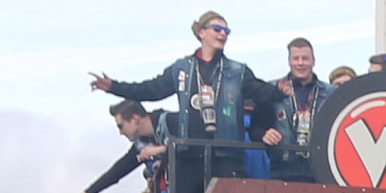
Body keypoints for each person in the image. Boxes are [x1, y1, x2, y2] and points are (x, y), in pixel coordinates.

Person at [90, 13, 275, 154]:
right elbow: (150, 90)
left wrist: (282, 88)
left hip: (225, 154)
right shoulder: (182, 69)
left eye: (226, 31)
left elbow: (261, 91)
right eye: (217, 29)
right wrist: (113, 87)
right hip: (191, 153)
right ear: (201, 33)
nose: (223, 34)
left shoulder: (237, 71)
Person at [61, 100, 168, 193]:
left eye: (121, 126)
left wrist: (162, 149)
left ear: (135, 118)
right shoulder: (141, 145)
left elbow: (186, 144)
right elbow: (117, 171)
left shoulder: (169, 122)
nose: (121, 133)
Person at [258, 38, 329, 181]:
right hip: (282, 170)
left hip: (319, 172)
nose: (300, 63)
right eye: (296, 58)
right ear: (289, 61)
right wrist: (264, 134)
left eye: (305, 58)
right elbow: (257, 125)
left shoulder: (330, 93)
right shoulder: (272, 89)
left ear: (313, 61)